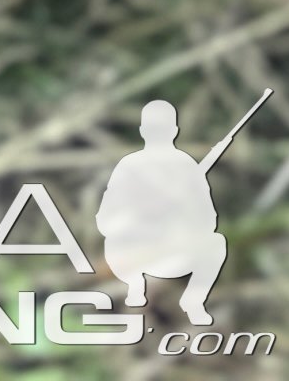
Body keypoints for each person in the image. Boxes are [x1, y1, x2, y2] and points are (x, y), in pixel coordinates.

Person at [99, 99, 231, 325]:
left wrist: (182, 205)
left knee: (216, 243)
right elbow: (105, 221)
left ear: (174, 130)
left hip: (174, 249)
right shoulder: (129, 166)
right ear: (142, 131)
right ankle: (135, 292)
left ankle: (193, 301)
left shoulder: (187, 167)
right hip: (132, 252)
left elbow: (209, 220)